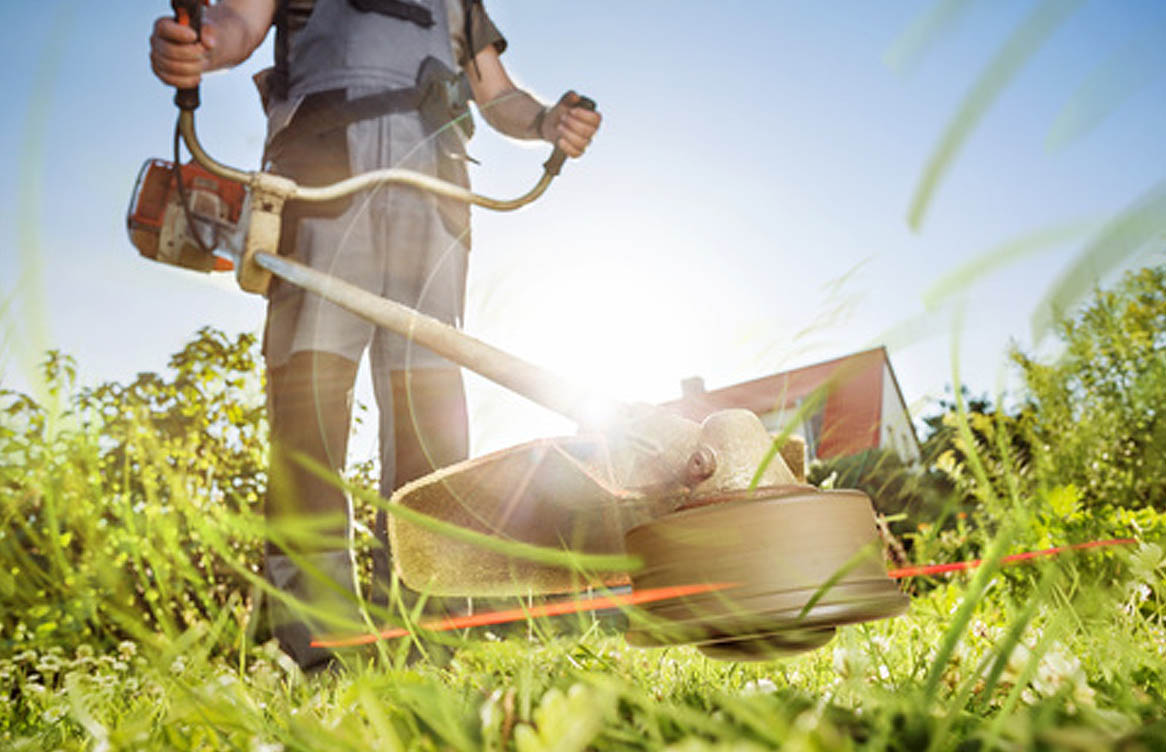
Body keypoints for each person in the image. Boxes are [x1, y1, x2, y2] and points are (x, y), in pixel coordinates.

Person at [149, 0, 601, 670]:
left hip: (434, 185)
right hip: (321, 176)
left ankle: (431, 654)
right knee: (309, 418)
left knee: (434, 432)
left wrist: (544, 121)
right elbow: (237, 27)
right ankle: (318, 657)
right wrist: (201, 46)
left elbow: (495, 92)